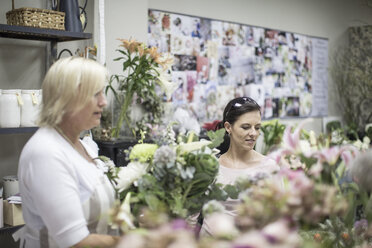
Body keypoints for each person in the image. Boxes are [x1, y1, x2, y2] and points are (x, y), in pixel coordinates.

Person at [15, 57, 119, 248]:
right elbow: (76, 242)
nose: (103, 102)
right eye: (95, 94)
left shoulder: (82, 145)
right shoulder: (45, 153)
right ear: (67, 98)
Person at [200, 96, 280, 236]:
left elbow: (280, 216)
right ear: (228, 127)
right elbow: (192, 214)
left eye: (257, 127)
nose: (253, 134)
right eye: (246, 127)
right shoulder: (211, 166)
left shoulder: (269, 168)